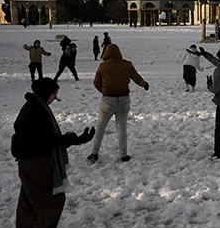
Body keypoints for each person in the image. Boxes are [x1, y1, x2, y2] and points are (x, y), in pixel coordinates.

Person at [11, 78, 95, 227]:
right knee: (51, 202)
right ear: (45, 93)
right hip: (35, 164)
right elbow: (42, 141)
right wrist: (67, 140)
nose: (55, 98)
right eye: (54, 94)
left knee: (29, 202)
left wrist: (69, 140)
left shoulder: (37, 105)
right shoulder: (36, 110)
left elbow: (43, 138)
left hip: (30, 162)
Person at [88, 44, 149, 163]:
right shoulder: (127, 64)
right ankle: (123, 154)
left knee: (100, 127)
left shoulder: (103, 66)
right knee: (122, 127)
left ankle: (94, 153)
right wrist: (144, 84)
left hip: (107, 101)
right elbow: (136, 77)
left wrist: (105, 91)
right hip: (124, 100)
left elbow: (96, 83)